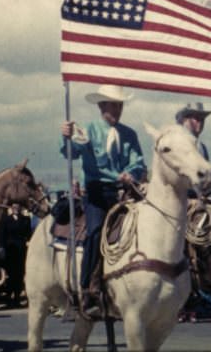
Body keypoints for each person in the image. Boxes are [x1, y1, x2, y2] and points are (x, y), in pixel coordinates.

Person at [60, 84, 146, 314]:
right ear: (101, 106)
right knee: (96, 230)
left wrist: (132, 172)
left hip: (122, 191)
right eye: (113, 105)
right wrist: (66, 137)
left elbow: (138, 161)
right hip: (96, 191)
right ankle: (88, 286)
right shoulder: (88, 130)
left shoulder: (129, 134)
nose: (118, 110)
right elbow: (72, 153)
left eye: (120, 105)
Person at [0, 203, 32, 308]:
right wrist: (2, 248)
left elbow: (28, 234)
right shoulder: (6, 220)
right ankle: (9, 298)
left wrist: (27, 242)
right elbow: (2, 235)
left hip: (21, 249)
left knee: (19, 274)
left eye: (18, 207)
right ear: (11, 209)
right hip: (10, 250)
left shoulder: (26, 219)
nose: (16, 209)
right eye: (14, 207)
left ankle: (17, 297)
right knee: (10, 274)